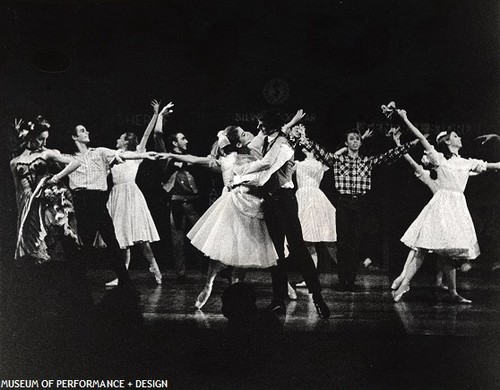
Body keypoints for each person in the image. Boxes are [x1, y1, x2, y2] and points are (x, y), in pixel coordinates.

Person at [161, 126, 278, 309]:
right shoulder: (229, 160)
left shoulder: (256, 154)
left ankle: (237, 290)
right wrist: (172, 156)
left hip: (253, 205)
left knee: (243, 253)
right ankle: (209, 283)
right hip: (234, 205)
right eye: (243, 133)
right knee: (221, 250)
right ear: (239, 142)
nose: (248, 133)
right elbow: (196, 159)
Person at [389, 108, 500, 303]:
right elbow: (419, 137)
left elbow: (496, 165)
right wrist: (405, 118)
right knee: (422, 248)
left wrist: (497, 138)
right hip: (441, 205)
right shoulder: (439, 159)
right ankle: (405, 282)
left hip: (457, 208)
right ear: (448, 141)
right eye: (456, 136)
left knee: (449, 254)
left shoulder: (467, 162)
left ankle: (453, 293)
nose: (460, 138)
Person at [234, 109, 330, 319]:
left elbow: (266, 168)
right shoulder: (271, 141)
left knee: (298, 247)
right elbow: (254, 149)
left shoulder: (284, 145)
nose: (258, 129)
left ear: (272, 126)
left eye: (262, 125)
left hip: (285, 200)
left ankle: (317, 297)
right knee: (275, 252)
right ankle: (278, 300)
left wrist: (239, 176)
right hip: (270, 201)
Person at [300, 123, 415, 292]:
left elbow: (388, 156)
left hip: (360, 203)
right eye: (351, 139)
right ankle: (342, 280)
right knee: (342, 242)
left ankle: (351, 280)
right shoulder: (339, 160)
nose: (355, 141)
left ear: (361, 143)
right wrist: (305, 137)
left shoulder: (366, 161)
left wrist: (410, 144)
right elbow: (320, 151)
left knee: (355, 243)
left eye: (357, 139)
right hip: (343, 202)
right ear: (346, 143)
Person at [10, 116, 90, 317]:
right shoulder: (15, 161)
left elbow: (75, 162)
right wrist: (21, 212)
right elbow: (17, 189)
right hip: (30, 203)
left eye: (45, 139)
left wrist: (55, 178)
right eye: (39, 139)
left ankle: (71, 291)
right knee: (34, 246)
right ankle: (41, 293)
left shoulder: (46, 154)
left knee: (60, 239)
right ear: (29, 137)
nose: (43, 143)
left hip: (50, 200)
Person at [67, 120, 156, 288]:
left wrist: (143, 155)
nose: (88, 133)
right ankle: (77, 280)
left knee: (112, 240)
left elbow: (123, 154)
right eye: (83, 131)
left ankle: (124, 278)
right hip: (80, 200)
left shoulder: (99, 152)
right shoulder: (68, 158)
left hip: (97, 200)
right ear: (74, 137)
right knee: (84, 242)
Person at [105, 100, 166, 287]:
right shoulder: (113, 155)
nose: (117, 139)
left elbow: (147, 134)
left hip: (130, 194)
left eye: (121, 137)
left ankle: (155, 268)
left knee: (139, 237)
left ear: (127, 141)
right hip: (116, 195)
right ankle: (123, 275)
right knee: (120, 237)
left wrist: (156, 114)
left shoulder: (138, 154)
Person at [154, 118, 201, 284]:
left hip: (194, 203)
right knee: (177, 242)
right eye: (183, 138)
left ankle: (215, 270)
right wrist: (159, 115)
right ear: (174, 142)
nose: (186, 141)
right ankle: (181, 274)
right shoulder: (167, 158)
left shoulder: (190, 157)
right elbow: (157, 135)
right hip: (176, 203)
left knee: (205, 236)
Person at [292, 140, 337, 288]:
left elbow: (334, 156)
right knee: (307, 242)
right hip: (305, 199)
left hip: (312, 200)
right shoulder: (300, 163)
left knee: (316, 241)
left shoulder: (319, 164)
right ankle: (310, 277)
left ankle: (313, 277)